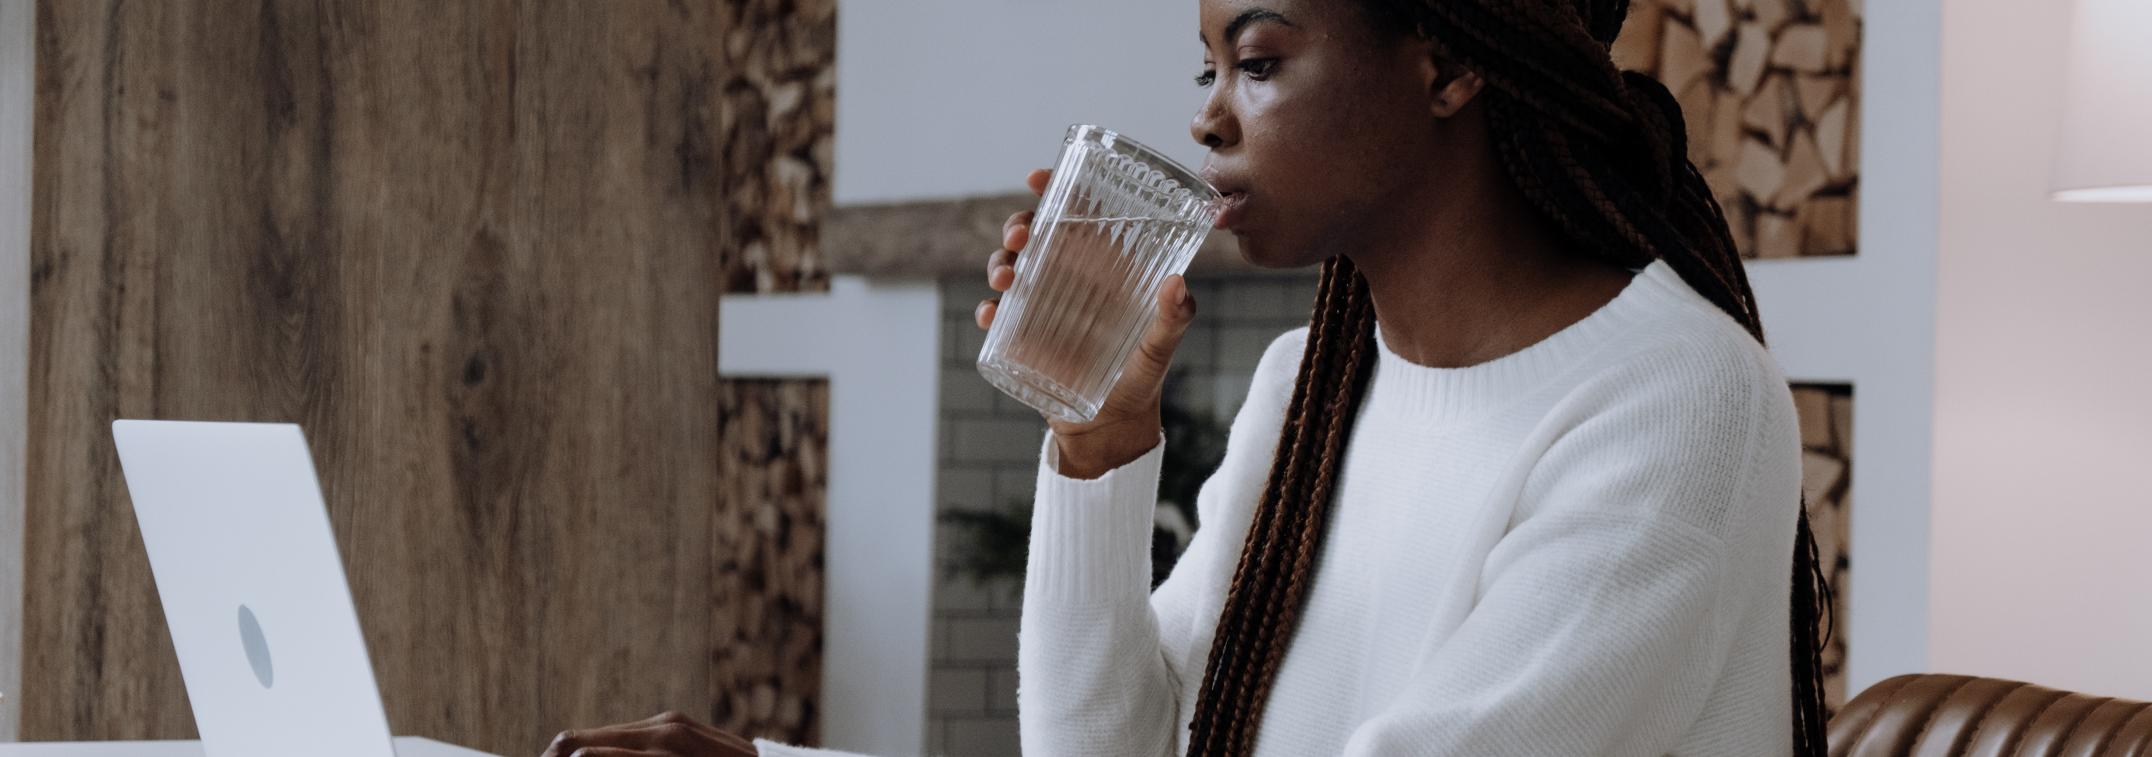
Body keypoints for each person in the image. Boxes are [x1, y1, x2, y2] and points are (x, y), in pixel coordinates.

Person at [543, 0, 1831, 754]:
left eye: (1259, 61)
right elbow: (1110, 748)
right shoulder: (1308, 386)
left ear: (1448, 63)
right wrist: (1097, 447)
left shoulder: (1674, 402)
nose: (1211, 116)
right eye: (1206, 68)